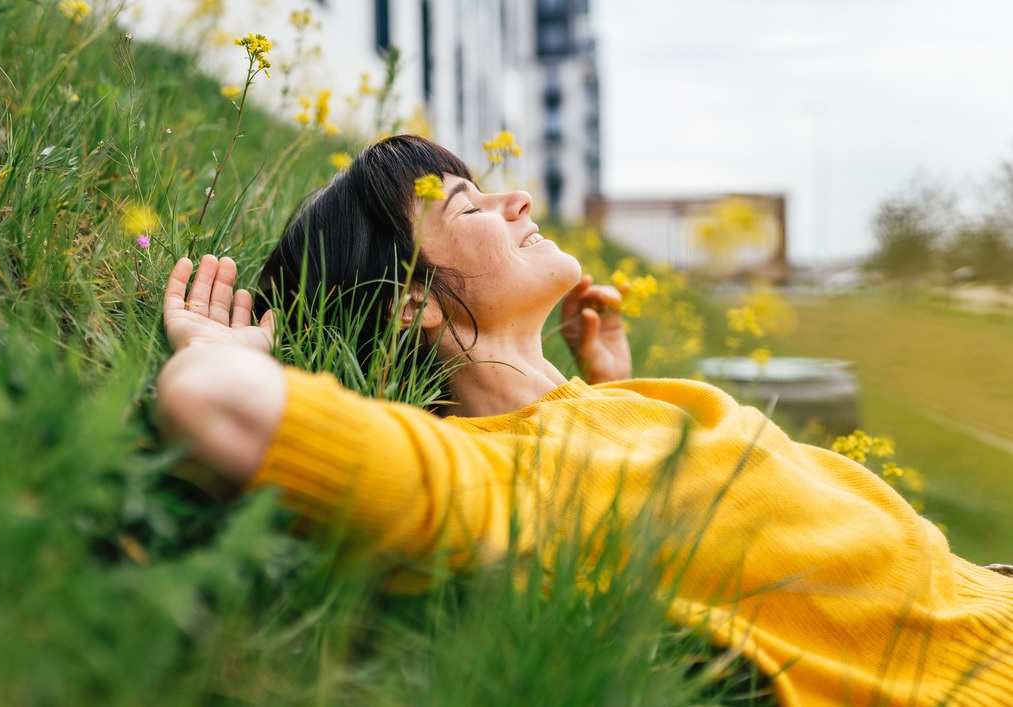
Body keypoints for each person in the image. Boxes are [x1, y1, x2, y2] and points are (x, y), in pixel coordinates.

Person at [157, 135, 1013, 706]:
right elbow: (218, 405)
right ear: (410, 299)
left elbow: (712, 518)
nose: (518, 198)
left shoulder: (609, 414)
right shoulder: (491, 472)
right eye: (468, 205)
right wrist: (214, 347)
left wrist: (609, 388)